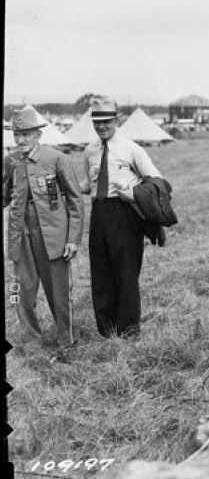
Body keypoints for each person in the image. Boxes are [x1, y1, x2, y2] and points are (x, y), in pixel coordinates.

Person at [3, 106, 84, 350]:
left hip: (53, 235)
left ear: (38, 134)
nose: (21, 140)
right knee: (19, 290)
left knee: (59, 291)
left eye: (26, 134)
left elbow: (75, 200)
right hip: (20, 234)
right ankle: (31, 340)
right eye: (17, 134)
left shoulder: (56, 158)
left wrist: (73, 239)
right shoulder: (10, 161)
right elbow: (4, 196)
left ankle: (65, 340)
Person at [84, 96, 162, 339]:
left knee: (126, 273)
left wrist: (133, 193)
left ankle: (129, 332)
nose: (102, 127)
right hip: (99, 214)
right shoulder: (90, 150)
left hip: (125, 215)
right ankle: (106, 331)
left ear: (116, 120)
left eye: (106, 121)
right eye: (97, 122)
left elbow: (157, 181)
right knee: (101, 272)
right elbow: (90, 182)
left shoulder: (131, 149)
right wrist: (66, 186)